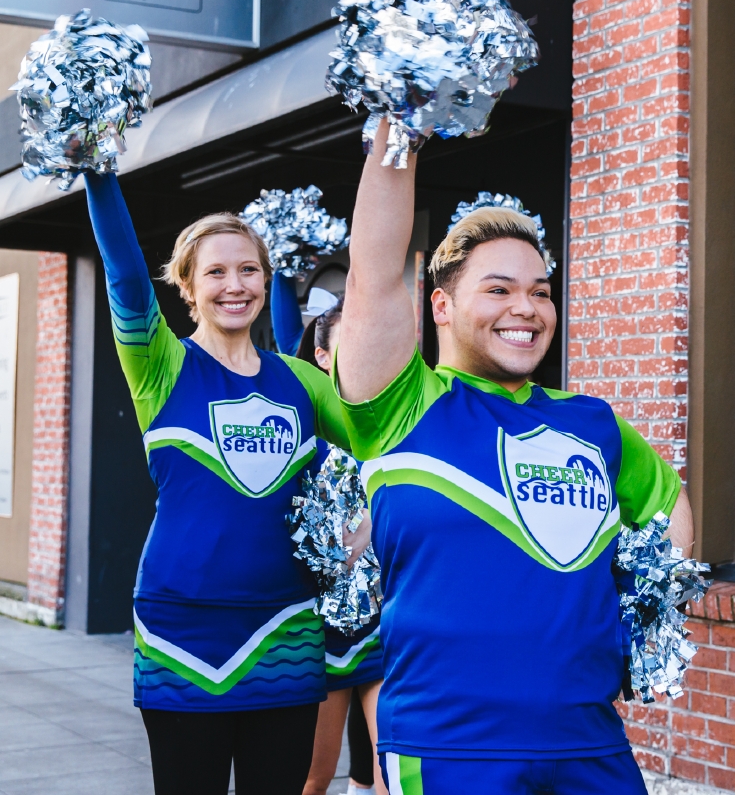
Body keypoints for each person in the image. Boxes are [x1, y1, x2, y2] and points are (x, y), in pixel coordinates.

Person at [334, 120, 695, 795]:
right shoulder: (401, 403)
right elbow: (374, 274)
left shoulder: (592, 423)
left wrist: (640, 609)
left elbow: (668, 505)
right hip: (451, 747)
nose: (526, 308)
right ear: (441, 306)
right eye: (499, 289)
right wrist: (398, 128)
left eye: (540, 291)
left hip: (590, 743)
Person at [83, 172, 367, 795]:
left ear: (267, 280)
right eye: (215, 272)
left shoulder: (303, 380)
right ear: (187, 286)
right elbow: (125, 277)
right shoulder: (160, 365)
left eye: (248, 270)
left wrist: (366, 523)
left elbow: (380, 447)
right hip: (181, 632)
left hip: (286, 633)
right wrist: (96, 166)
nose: (234, 285)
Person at [271, 287, 386, 795]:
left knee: (395, 776)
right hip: (316, 629)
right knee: (311, 778)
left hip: (384, 623)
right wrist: (283, 272)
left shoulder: (392, 418)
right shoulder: (302, 414)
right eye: (348, 342)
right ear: (321, 356)